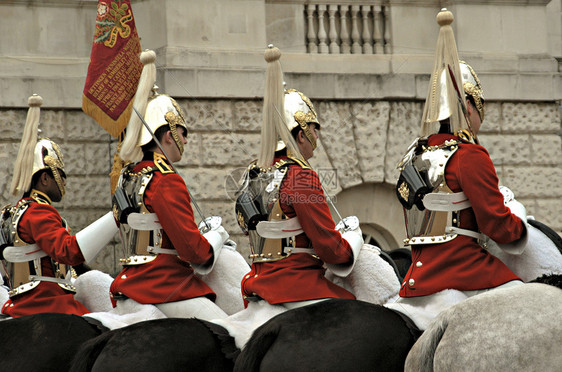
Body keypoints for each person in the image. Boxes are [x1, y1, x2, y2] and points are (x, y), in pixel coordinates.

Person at [387, 9, 526, 330]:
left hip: (417, 276)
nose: (480, 120)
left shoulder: (414, 153)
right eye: (479, 109)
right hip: (464, 271)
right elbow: (496, 225)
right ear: (467, 107)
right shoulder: (469, 155)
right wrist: (519, 226)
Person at [235, 45, 363, 310]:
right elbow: (331, 251)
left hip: (256, 284)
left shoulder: (252, 174)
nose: (317, 137)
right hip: (297, 287)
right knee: (357, 310)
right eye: (315, 130)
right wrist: (353, 242)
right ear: (301, 135)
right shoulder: (299, 176)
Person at [110, 50, 230, 321]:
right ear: (168, 135)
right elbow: (193, 252)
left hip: (127, 282)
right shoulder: (166, 180)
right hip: (163, 285)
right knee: (229, 336)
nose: (186, 141)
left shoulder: (130, 177)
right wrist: (217, 237)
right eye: (183, 134)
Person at [0, 94, 118, 318]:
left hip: (20, 301)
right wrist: (115, 218)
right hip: (47, 304)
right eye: (59, 176)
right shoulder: (39, 212)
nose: (64, 182)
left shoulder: (16, 212)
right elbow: (69, 252)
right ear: (44, 179)